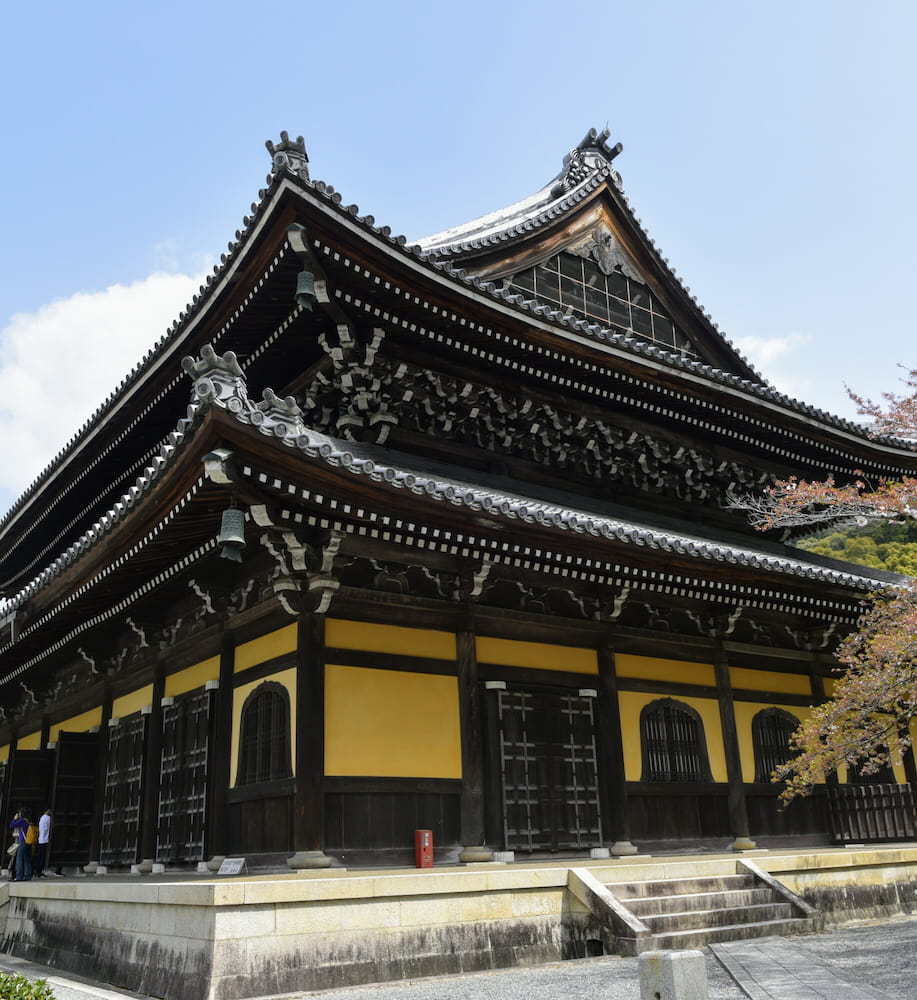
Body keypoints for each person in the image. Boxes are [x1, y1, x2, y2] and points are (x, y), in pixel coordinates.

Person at [9, 809, 31, 881]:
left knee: (20, 859)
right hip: (29, 841)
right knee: (27, 859)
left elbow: (11, 825)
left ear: (21, 814)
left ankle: (19, 877)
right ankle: (28, 875)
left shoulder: (22, 821)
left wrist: (14, 819)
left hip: (23, 841)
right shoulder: (28, 820)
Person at [33, 809, 50, 877]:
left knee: (40, 857)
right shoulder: (48, 818)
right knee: (42, 857)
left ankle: (38, 871)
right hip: (45, 839)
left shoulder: (42, 818)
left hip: (41, 839)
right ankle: (38, 872)